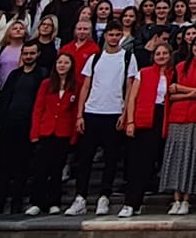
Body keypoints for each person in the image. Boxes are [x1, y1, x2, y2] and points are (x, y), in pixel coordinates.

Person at [69, 25, 134, 216]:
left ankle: (104, 196)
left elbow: (130, 87)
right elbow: (86, 86)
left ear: (121, 36)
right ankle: (80, 197)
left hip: (114, 112)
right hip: (92, 111)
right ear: (105, 36)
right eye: (111, 35)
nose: (113, 38)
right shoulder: (95, 57)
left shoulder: (128, 57)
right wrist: (80, 114)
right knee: (85, 158)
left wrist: (125, 114)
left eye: (117, 35)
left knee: (111, 159)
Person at [0, 40, 44, 214]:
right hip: (8, 125)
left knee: (22, 166)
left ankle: (17, 202)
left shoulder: (42, 75)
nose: (28, 56)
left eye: (32, 53)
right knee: (3, 166)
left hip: (27, 126)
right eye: (25, 53)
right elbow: (3, 100)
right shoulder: (14, 75)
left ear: (38, 54)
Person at [159, 37, 196, 215]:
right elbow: (171, 94)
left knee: (192, 159)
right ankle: (176, 199)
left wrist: (181, 90)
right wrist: (191, 92)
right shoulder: (180, 66)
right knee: (175, 158)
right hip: (177, 117)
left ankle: (187, 200)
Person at [118, 41, 173, 218]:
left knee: (155, 162)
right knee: (139, 164)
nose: (161, 56)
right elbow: (132, 98)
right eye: (158, 53)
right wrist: (130, 121)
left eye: (165, 53)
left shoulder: (174, 74)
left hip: (164, 118)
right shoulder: (144, 73)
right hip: (144, 118)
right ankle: (130, 203)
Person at [28, 51, 82, 216]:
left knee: (57, 169)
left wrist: (74, 135)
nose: (62, 66)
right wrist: (35, 132)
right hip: (46, 130)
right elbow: (38, 109)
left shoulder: (76, 85)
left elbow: (75, 112)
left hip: (63, 132)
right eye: (60, 62)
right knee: (40, 169)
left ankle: (54, 201)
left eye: (66, 63)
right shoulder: (46, 84)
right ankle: (37, 202)